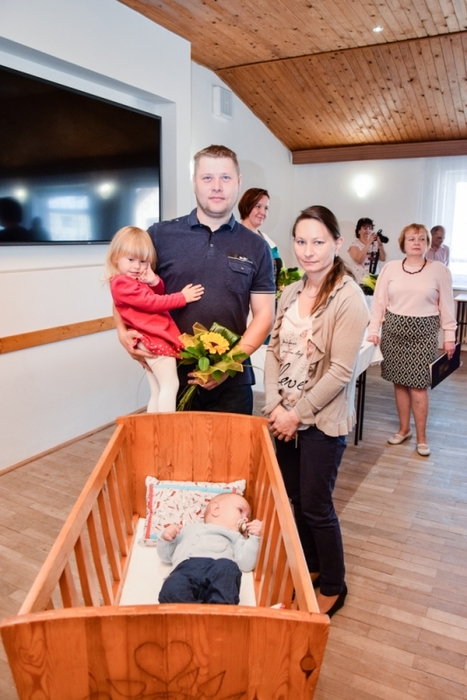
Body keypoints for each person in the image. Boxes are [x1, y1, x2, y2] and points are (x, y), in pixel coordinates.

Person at [263, 205, 369, 617]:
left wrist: (297, 414)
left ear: (337, 243)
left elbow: (341, 371)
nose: (308, 251)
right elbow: (274, 350)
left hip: (320, 421)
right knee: (295, 499)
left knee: (316, 506)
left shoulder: (349, 298)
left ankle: (334, 585)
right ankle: (312, 567)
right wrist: (274, 405)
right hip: (283, 415)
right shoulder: (291, 291)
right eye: (301, 241)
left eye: (318, 242)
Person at [114, 145, 276, 415]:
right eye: (207, 178)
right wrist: (122, 332)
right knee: (170, 444)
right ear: (194, 183)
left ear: (238, 183)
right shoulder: (159, 235)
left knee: (231, 446)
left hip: (232, 383)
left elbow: (265, 316)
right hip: (172, 375)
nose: (217, 186)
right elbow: (123, 289)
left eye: (225, 178)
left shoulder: (257, 246)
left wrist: (225, 366)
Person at [367, 224, 456, 457]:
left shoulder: (439, 270)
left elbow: (447, 306)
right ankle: (404, 429)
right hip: (393, 333)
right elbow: (379, 302)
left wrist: (449, 337)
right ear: (403, 243)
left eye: (421, 238)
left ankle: (422, 438)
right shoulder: (391, 268)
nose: (416, 242)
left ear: (427, 243)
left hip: (424, 334)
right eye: (411, 239)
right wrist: (374, 330)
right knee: (399, 383)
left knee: (418, 386)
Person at [106, 226, 204, 412]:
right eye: (131, 260)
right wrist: (182, 297)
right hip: (153, 338)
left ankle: (154, 427)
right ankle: (165, 427)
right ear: (115, 257)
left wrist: (153, 281)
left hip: (150, 338)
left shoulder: (129, 281)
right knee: (170, 386)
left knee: (158, 390)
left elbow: (153, 295)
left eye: (143, 261)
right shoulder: (122, 283)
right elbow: (151, 302)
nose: (137, 266)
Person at [157, 493, 263, 604]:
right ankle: (191, 612)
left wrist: (255, 537)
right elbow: (166, 556)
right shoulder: (188, 529)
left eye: (248, 517)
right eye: (240, 511)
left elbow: (246, 564)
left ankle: (219, 609)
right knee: (172, 585)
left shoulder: (237, 537)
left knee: (228, 568)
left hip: (217, 568)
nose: (245, 519)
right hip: (184, 570)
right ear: (216, 509)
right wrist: (167, 538)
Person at [238, 187, 283, 289]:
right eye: (258, 206)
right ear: (246, 206)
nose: (263, 212)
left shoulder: (266, 239)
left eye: (266, 208)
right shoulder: (235, 238)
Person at [348, 217, 387, 284]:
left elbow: (383, 258)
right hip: (360, 280)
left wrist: (380, 245)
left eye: (370, 228)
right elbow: (359, 260)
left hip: (373, 280)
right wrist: (369, 242)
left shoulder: (375, 244)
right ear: (359, 231)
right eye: (365, 228)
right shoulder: (354, 245)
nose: (368, 230)